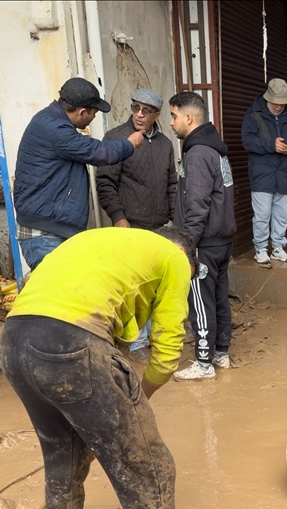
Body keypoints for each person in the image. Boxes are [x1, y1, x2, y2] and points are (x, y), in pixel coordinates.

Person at [1, 225, 224, 509]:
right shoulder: (175, 258)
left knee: (62, 453)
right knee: (151, 469)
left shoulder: (102, 243)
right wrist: (142, 397)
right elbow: (169, 346)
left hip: (15, 341)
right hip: (70, 342)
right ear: (186, 258)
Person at [13, 78, 142, 270]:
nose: (94, 117)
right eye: (94, 113)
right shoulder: (56, 129)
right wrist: (130, 144)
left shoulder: (48, 121)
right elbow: (98, 152)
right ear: (82, 112)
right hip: (45, 234)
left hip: (49, 229)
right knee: (57, 295)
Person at [96, 87, 178, 362]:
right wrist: (118, 216)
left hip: (159, 226)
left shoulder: (166, 144)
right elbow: (105, 182)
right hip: (130, 225)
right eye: (135, 108)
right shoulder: (117, 138)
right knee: (135, 286)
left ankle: (155, 337)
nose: (139, 114)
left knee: (157, 284)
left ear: (157, 114)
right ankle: (136, 342)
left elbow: (172, 184)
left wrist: (176, 221)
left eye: (146, 110)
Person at [168, 91, 236, 381]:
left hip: (204, 243)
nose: (170, 123)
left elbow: (197, 205)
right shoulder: (215, 150)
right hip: (222, 240)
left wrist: (186, 246)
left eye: (173, 116)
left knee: (200, 302)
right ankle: (221, 353)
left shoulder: (197, 154)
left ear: (188, 117)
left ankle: (204, 362)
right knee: (219, 297)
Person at [241, 78, 287, 267]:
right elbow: (247, 140)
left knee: (280, 214)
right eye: (275, 103)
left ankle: (278, 247)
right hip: (262, 174)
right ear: (268, 98)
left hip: (283, 174)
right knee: (262, 215)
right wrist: (271, 145)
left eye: (281, 103)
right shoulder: (254, 114)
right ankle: (260, 249)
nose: (278, 107)